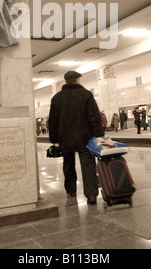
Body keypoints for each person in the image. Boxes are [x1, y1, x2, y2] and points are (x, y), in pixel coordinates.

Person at [48, 71, 104, 205]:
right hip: (85, 138)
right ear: (78, 80)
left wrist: (54, 139)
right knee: (88, 165)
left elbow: (52, 121)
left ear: (65, 81)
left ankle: (71, 191)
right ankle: (91, 195)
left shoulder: (57, 98)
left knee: (68, 165)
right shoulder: (86, 95)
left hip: (65, 138)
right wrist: (99, 135)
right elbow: (94, 118)